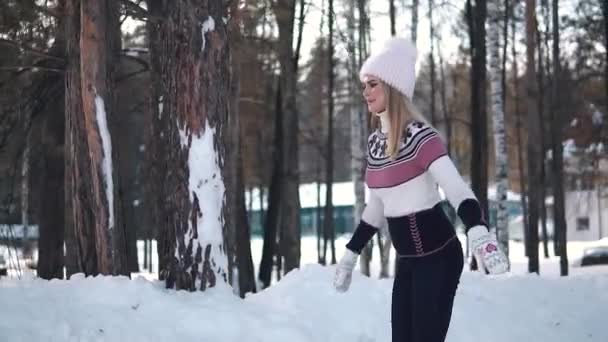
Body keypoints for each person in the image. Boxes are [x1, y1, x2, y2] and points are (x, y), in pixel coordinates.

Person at [333, 37, 509, 342]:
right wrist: (351, 254)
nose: (366, 92)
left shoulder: (421, 138)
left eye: (372, 83)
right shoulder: (376, 144)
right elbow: (377, 206)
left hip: (440, 256)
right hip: (408, 259)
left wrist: (479, 231)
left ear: (392, 87)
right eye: (364, 85)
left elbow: (455, 188)